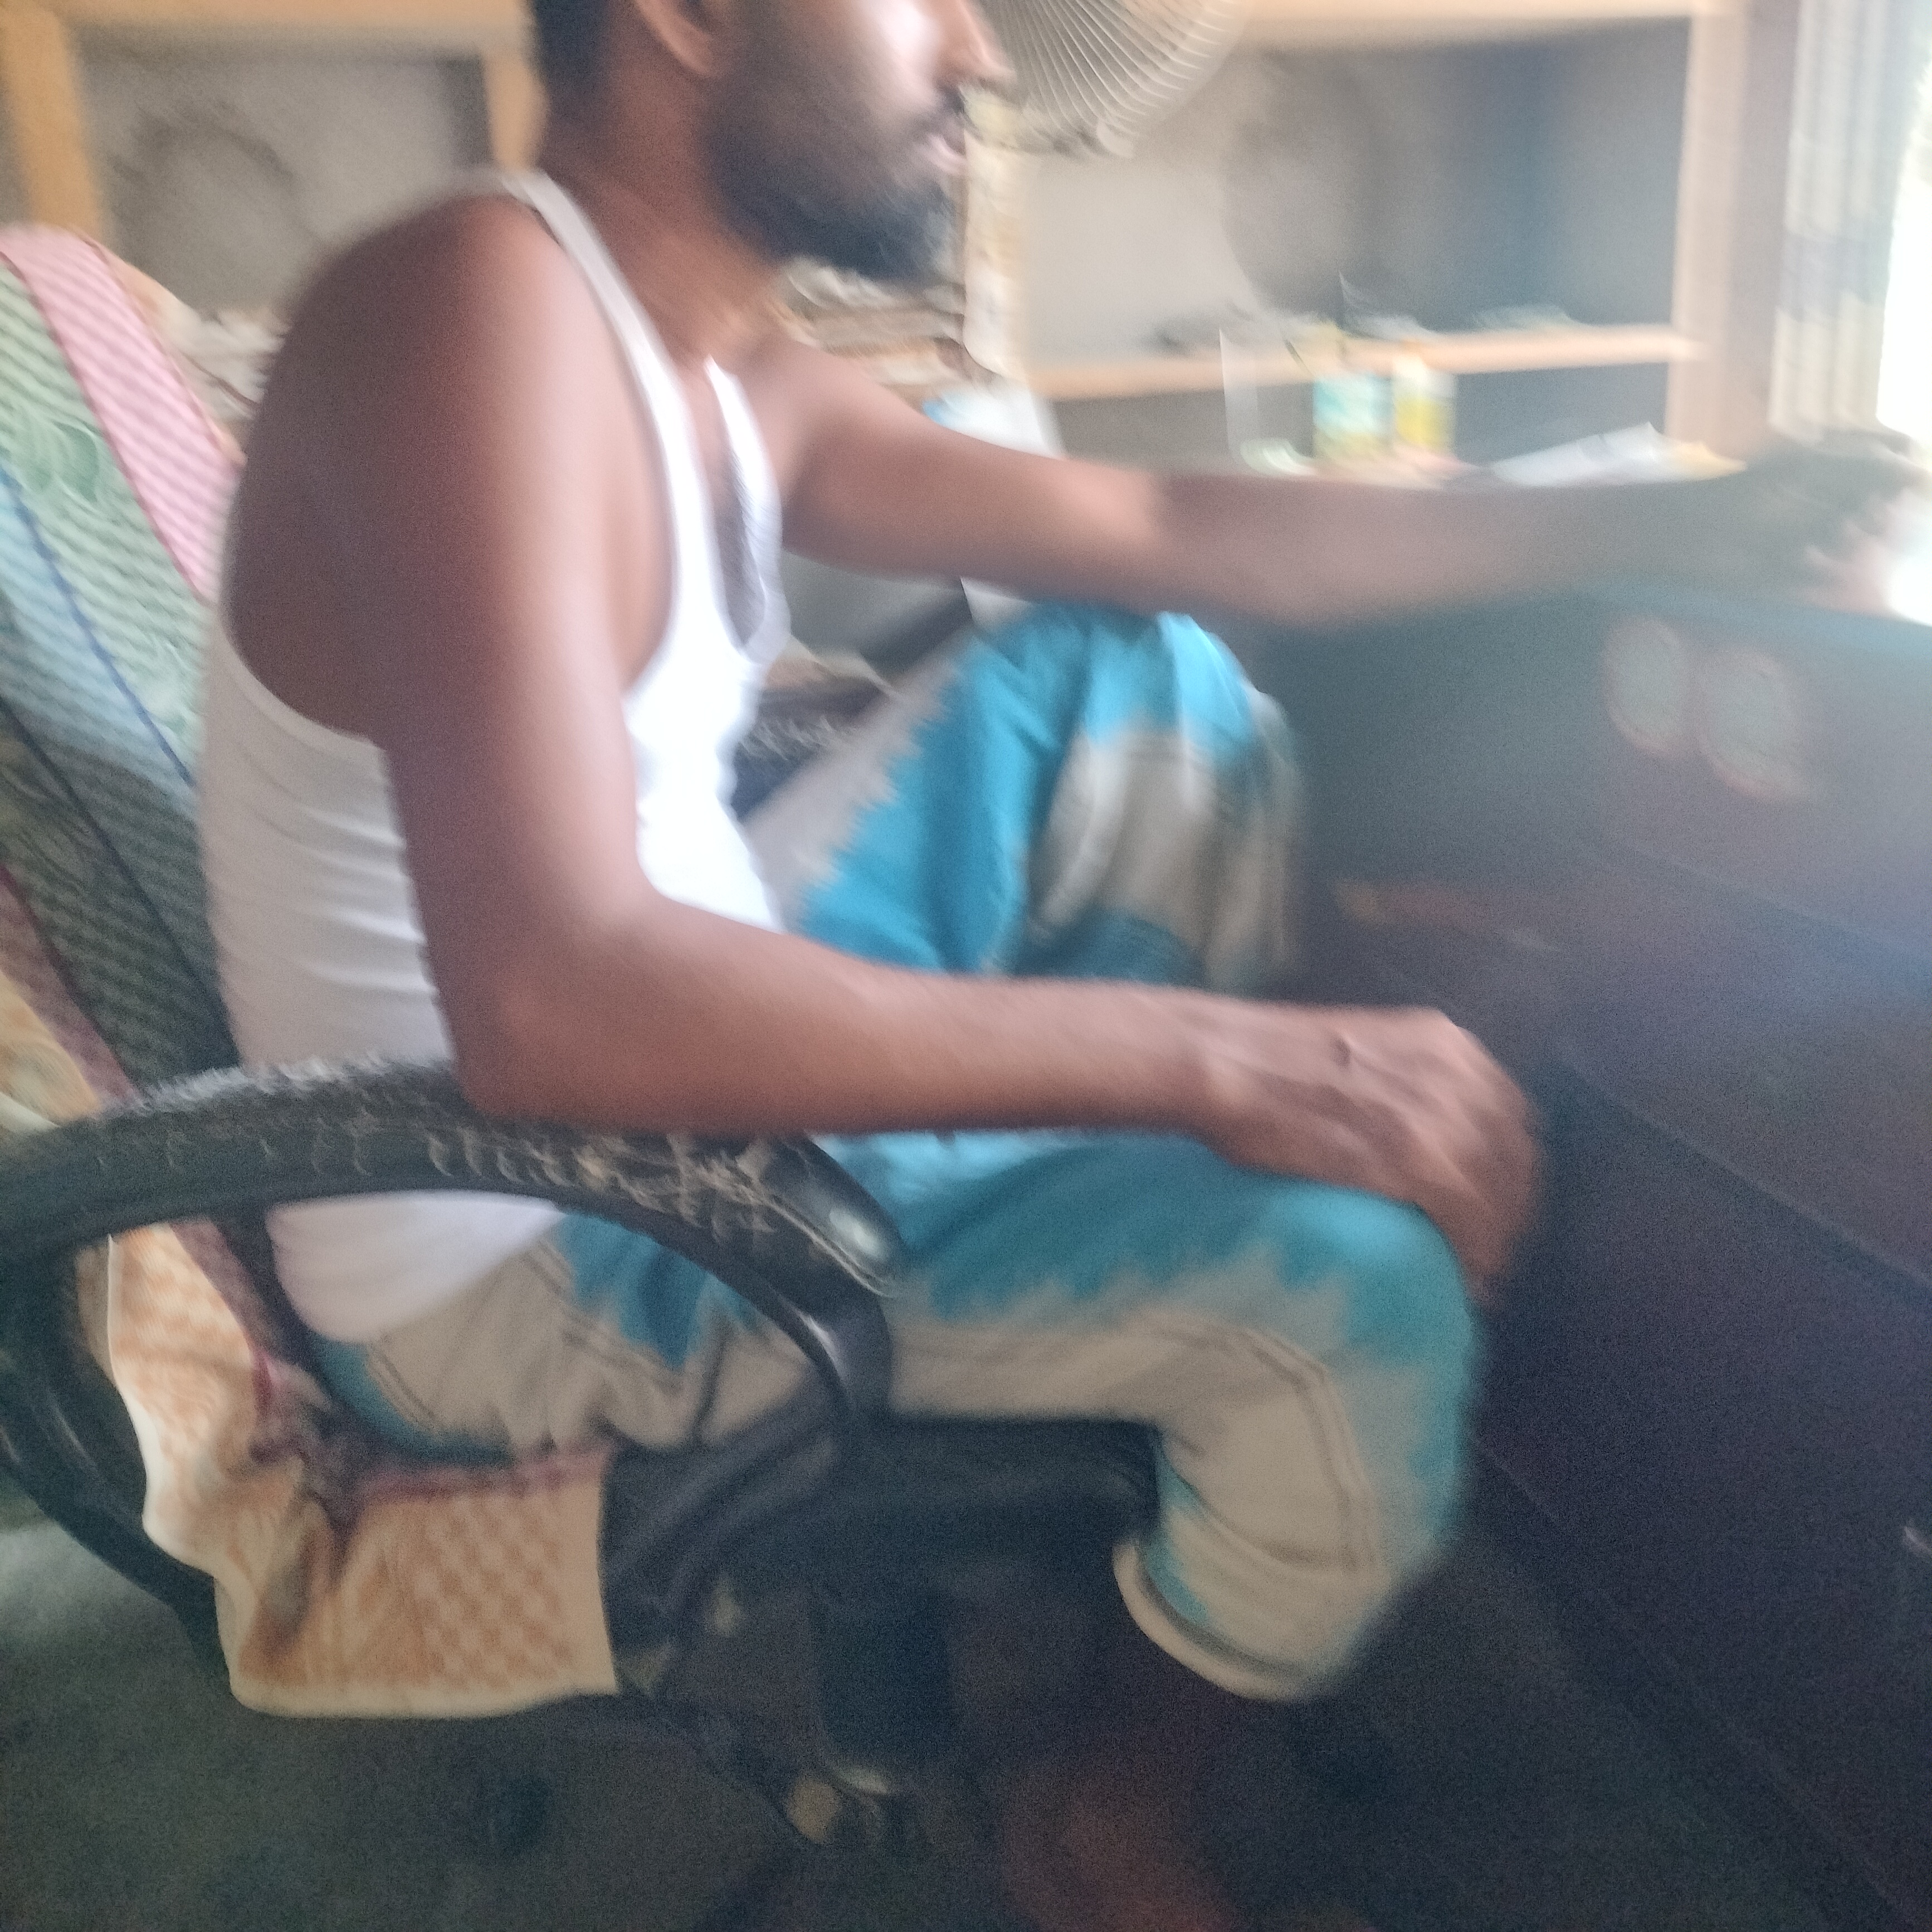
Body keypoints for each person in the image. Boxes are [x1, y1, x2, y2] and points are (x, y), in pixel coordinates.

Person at [199, 2, 1910, 1925]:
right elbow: (555, 1008)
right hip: (528, 1242)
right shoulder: (463, 311)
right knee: (1361, 1293)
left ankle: (1149, 1353)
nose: (981, 60)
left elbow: (1169, 521)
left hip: (658, 1051)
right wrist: (1230, 1064)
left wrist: (1678, 513)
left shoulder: (716, 371)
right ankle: (1105, 1807)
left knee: (1132, 669)